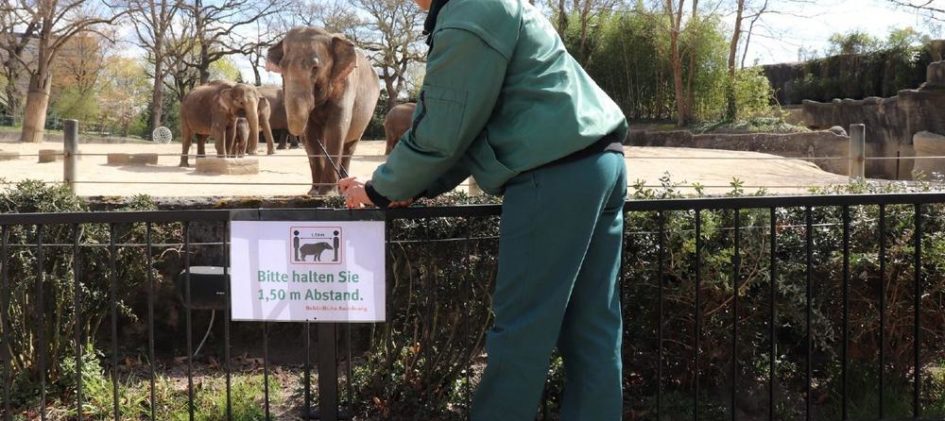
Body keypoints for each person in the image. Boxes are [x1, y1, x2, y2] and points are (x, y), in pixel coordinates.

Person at [339, 0, 628, 418]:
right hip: (600, 162)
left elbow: (443, 131)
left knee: (522, 331)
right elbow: (466, 130)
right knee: (593, 326)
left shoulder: (468, 13)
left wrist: (381, 190)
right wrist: (401, 188)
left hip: (552, 173)